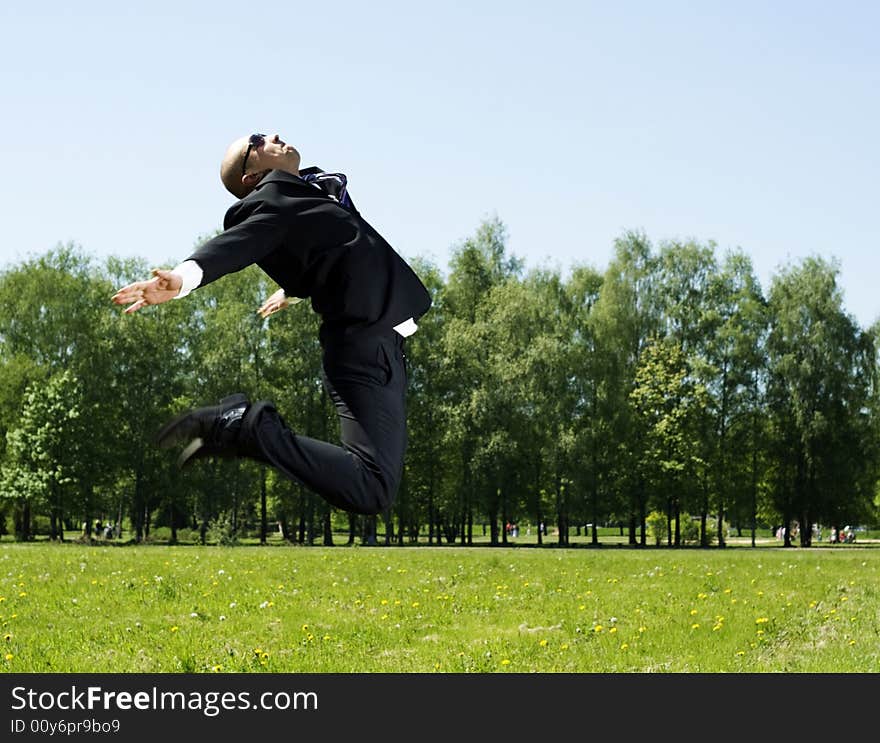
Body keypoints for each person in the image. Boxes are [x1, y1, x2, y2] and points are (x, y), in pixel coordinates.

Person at [112, 133, 432, 516]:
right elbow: (242, 240)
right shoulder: (271, 199)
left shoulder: (304, 197)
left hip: (379, 347)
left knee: (373, 487)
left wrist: (293, 290)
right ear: (252, 177)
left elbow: (335, 248)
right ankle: (250, 427)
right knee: (372, 487)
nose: (274, 136)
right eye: (258, 140)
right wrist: (182, 279)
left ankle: (245, 434)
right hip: (364, 347)